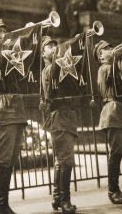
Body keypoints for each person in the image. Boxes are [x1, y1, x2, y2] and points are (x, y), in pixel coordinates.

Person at [0, 17, 28, 213]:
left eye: (4, 31)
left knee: (9, 159)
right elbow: (5, 60)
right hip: (2, 109)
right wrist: (26, 38)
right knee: (1, 159)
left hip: (15, 109)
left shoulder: (5, 54)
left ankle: (3, 203)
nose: (2, 35)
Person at [41, 36, 77, 214]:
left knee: (61, 161)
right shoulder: (49, 70)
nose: (54, 48)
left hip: (66, 116)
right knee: (67, 161)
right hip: (60, 117)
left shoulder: (59, 68)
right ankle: (65, 201)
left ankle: (57, 198)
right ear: (43, 54)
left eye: (55, 45)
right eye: (49, 47)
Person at [93, 40, 122, 204]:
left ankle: (116, 188)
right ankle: (111, 190)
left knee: (119, 153)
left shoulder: (114, 65)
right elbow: (113, 78)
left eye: (110, 48)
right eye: (106, 49)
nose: (110, 50)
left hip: (120, 112)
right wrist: (117, 57)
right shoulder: (104, 68)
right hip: (112, 111)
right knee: (115, 154)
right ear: (100, 56)